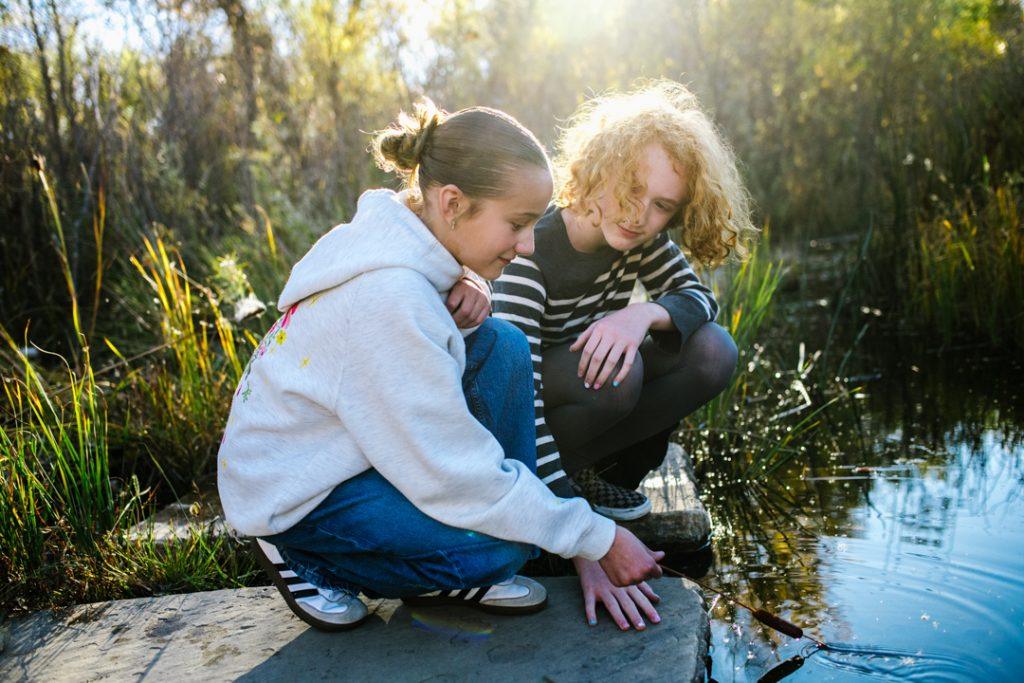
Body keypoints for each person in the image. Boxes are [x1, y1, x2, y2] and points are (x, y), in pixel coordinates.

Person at [216, 99, 664, 632]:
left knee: (505, 344)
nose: (527, 247)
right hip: (299, 492)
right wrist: (597, 536)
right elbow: (451, 473)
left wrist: (470, 306)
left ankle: (484, 542)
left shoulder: (412, 255)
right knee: (498, 552)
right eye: (519, 224)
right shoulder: (389, 296)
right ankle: (305, 558)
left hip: (358, 451)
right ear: (452, 203)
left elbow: (430, 362)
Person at [489, 79, 756, 625]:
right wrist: (577, 535)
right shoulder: (530, 249)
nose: (639, 215)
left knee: (714, 351)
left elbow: (698, 298)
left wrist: (641, 314)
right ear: (601, 166)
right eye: (632, 187)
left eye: (662, 206)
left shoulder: (643, 243)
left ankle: (594, 471)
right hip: (517, 431)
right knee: (617, 374)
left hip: (577, 417)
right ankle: (571, 485)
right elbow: (514, 399)